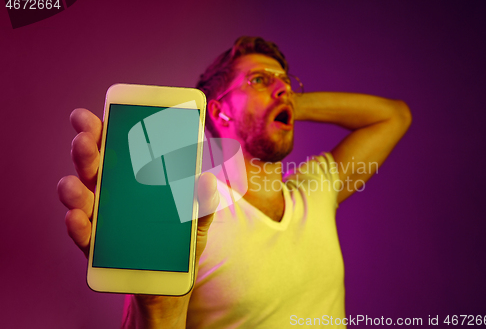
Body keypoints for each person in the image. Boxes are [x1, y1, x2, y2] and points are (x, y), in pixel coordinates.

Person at [58, 36, 412, 328]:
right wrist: (160, 312)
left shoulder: (314, 189)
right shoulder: (188, 216)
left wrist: (285, 100)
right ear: (217, 110)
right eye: (259, 80)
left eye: (286, 82)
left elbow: (393, 116)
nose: (281, 89)